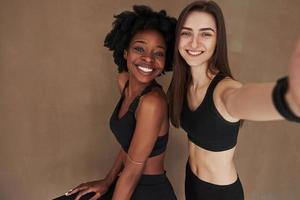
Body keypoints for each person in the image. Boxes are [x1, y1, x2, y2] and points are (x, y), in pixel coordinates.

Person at [167, 1, 300, 199]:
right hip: (192, 183)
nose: (194, 43)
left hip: (220, 194)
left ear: (217, 40)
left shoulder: (225, 90)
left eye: (205, 34)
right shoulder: (183, 84)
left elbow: (244, 99)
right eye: (186, 33)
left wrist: (290, 98)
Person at [54, 5, 177, 200]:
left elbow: (133, 172)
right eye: (139, 48)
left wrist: (114, 184)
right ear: (125, 52)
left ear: (166, 60)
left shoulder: (153, 103)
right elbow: (130, 146)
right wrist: (107, 180)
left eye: (158, 53)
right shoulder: (124, 82)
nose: (148, 58)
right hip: (125, 182)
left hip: (149, 191)